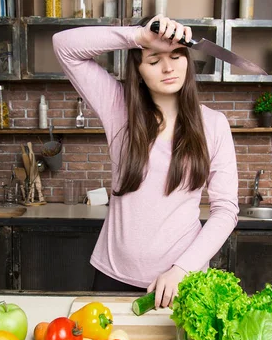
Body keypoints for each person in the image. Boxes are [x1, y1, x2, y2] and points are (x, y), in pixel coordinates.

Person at [53, 15, 238, 308]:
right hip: (113, 277)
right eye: (153, 60)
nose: (168, 67)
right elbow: (64, 46)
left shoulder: (214, 124)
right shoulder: (118, 109)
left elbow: (226, 210)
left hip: (183, 282)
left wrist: (182, 269)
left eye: (177, 56)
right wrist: (140, 37)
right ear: (138, 71)